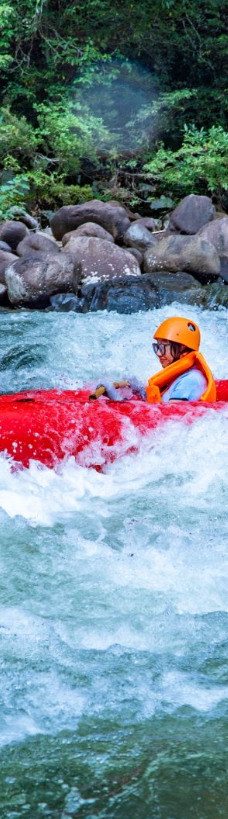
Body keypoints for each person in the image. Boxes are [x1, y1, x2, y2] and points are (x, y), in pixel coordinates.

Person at [95, 316, 216, 403]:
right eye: (157, 347)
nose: (158, 353)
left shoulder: (190, 381)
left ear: (182, 347)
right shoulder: (181, 376)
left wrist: (118, 399)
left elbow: (166, 420)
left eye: (163, 347)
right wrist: (137, 388)